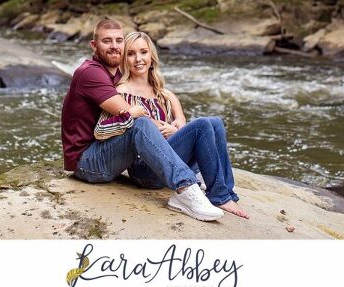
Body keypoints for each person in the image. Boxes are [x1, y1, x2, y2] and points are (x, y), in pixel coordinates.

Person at [60, 18, 224, 221]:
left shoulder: (116, 73)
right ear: (94, 45)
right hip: (87, 161)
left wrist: (177, 119)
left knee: (210, 123)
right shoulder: (91, 72)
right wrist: (171, 129)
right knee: (141, 124)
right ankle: (185, 188)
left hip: (107, 152)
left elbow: (151, 91)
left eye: (119, 41)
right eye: (107, 41)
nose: (114, 46)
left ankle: (221, 193)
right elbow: (130, 113)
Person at [115, 31, 249, 219]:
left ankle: (226, 191)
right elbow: (134, 130)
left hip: (171, 164)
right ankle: (218, 196)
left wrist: (174, 129)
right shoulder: (122, 92)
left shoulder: (165, 94)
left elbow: (183, 128)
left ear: (151, 57)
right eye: (131, 53)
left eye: (143, 52)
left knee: (215, 123)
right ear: (124, 59)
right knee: (202, 124)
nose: (138, 59)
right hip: (145, 169)